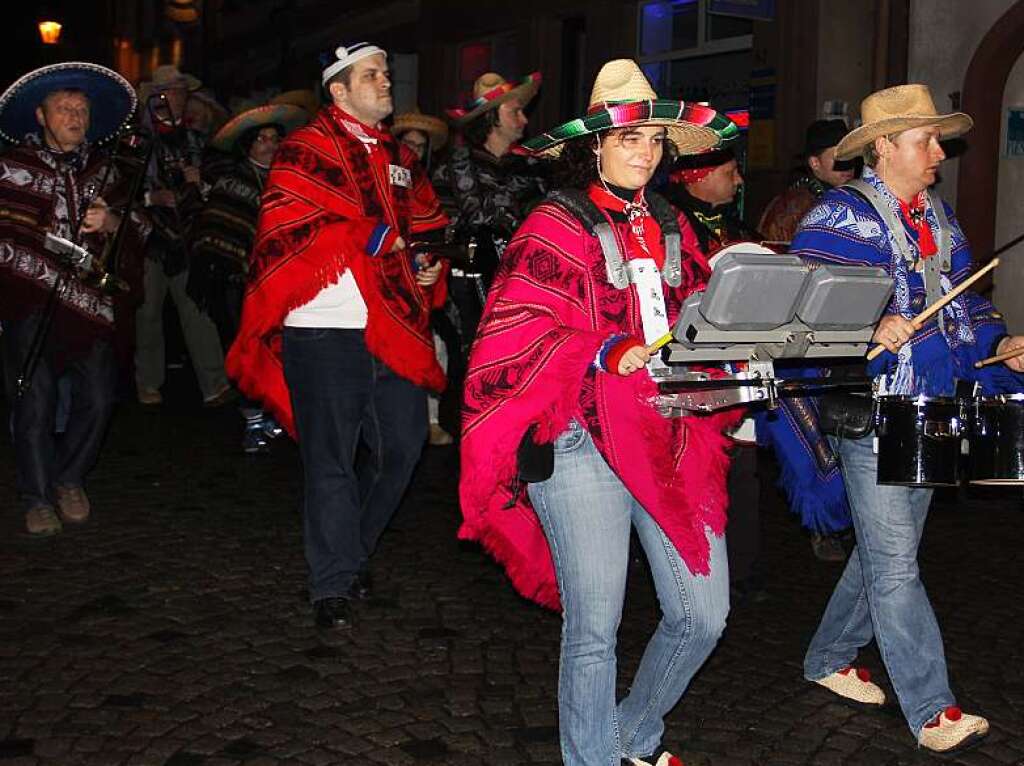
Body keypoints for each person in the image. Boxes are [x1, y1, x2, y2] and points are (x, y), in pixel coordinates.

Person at [459, 59, 740, 766]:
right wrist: (602, 346)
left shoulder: (674, 222)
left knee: (703, 614)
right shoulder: (556, 221)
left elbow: (701, 315)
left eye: (652, 140)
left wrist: (742, 327)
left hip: (667, 435)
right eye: (628, 139)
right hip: (581, 441)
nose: (644, 151)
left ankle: (630, 734)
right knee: (594, 628)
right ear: (594, 148)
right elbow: (515, 323)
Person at [791, 83, 1024, 753]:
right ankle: (931, 708)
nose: (939, 154)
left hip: (934, 403)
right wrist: (871, 324)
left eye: (938, 140)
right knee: (895, 567)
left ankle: (829, 656)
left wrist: (1000, 346)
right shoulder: (839, 219)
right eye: (925, 140)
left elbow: (968, 310)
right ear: (885, 146)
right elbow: (808, 315)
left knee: (885, 553)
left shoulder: (940, 219)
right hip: (872, 411)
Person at [226, 42, 449, 632]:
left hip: (391, 325)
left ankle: (350, 553)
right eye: (370, 75)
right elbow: (284, 229)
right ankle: (330, 583)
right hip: (321, 330)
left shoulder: (402, 156)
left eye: (384, 73)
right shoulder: (305, 151)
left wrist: (427, 260)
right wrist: (368, 236)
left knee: (403, 447)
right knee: (331, 463)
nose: (385, 82)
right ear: (340, 91)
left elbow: (425, 222)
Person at [0, 62, 149, 536]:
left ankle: (69, 479)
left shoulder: (107, 172)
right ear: (40, 116)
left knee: (101, 396)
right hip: (28, 298)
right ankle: (37, 495)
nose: (74, 116)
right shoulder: (11, 168)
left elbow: (143, 229)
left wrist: (110, 224)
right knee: (35, 400)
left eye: (81, 109)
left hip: (91, 303)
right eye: (63, 108)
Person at [189, 103, 308, 453]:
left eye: (274, 139)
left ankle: (275, 413)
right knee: (246, 348)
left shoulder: (290, 178)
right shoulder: (235, 179)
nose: (269, 146)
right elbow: (219, 229)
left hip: (279, 282)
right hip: (233, 282)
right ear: (248, 146)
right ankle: (254, 419)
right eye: (261, 140)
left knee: (279, 348)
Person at [135, 65, 233, 407]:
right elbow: (122, 187)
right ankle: (147, 382)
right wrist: (151, 198)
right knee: (147, 312)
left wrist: (198, 182)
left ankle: (215, 384)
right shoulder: (139, 141)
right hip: (147, 238)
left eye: (178, 90)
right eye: (167, 91)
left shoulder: (197, 141)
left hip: (188, 235)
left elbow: (216, 184)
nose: (173, 97)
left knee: (196, 306)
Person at [433, 71, 546, 357]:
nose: (524, 120)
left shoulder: (531, 168)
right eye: (516, 112)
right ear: (491, 117)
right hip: (469, 295)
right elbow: (454, 229)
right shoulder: (455, 168)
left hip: (526, 292)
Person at [392, 108, 455, 446]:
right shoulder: (378, 180)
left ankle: (430, 420)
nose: (413, 152)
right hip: (383, 280)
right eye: (408, 144)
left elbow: (435, 234)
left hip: (421, 280)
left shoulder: (428, 186)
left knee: (436, 348)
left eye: (419, 146)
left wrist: (431, 265)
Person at [757, 118, 855, 246]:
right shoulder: (793, 207)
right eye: (839, 157)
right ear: (815, 163)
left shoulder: (852, 200)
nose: (848, 165)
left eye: (851, 156)